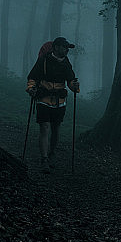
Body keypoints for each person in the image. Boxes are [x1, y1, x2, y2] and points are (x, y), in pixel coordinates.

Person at [26, 36, 80, 170]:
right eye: (64, 47)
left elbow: (70, 80)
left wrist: (74, 86)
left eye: (67, 47)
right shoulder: (43, 60)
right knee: (44, 127)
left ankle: (52, 153)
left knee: (56, 128)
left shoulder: (66, 63)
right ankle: (44, 159)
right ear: (56, 47)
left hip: (59, 102)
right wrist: (31, 88)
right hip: (43, 99)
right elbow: (33, 77)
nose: (66, 50)